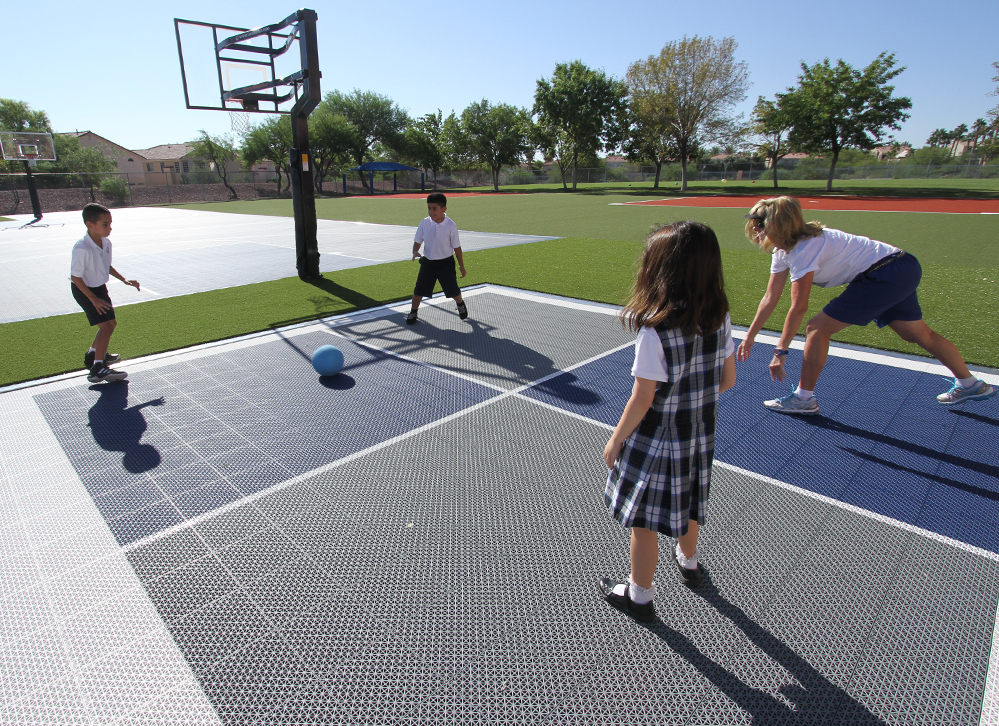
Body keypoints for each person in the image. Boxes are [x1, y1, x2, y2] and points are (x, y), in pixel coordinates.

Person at [738, 196, 994, 415]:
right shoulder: (784, 251)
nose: (756, 229)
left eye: (760, 224)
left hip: (884, 274)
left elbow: (799, 306)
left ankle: (804, 399)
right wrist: (749, 337)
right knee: (916, 333)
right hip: (900, 267)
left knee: (817, 328)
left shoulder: (805, 248)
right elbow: (770, 297)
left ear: (777, 225)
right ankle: (971, 384)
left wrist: (780, 351)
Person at [599, 221, 737, 622]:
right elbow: (726, 380)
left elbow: (642, 398)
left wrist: (615, 439)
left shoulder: (654, 331)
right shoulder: (720, 317)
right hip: (699, 435)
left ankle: (640, 596)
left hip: (656, 441)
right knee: (690, 504)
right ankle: (690, 563)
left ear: (659, 270)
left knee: (643, 523)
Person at [70, 203, 140, 383]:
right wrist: (92, 299)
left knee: (112, 323)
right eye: (105, 224)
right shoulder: (82, 249)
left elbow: (106, 265)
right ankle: (98, 369)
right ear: (90, 224)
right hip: (84, 290)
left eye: (110, 223)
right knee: (106, 327)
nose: (110, 228)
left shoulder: (106, 243)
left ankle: (93, 354)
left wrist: (124, 279)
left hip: (99, 288)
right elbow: (75, 277)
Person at [407, 192, 468, 324]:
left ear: (443, 209)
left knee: (453, 290)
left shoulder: (451, 225)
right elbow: (418, 240)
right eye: (429, 208)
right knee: (419, 290)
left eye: (434, 208)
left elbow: (457, 248)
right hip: (428, 263)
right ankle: (413, 312)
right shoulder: (424, 223)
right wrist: (415, 251)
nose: (431, 211)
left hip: (446, 263)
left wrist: (461, 266)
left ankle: (460, 304)